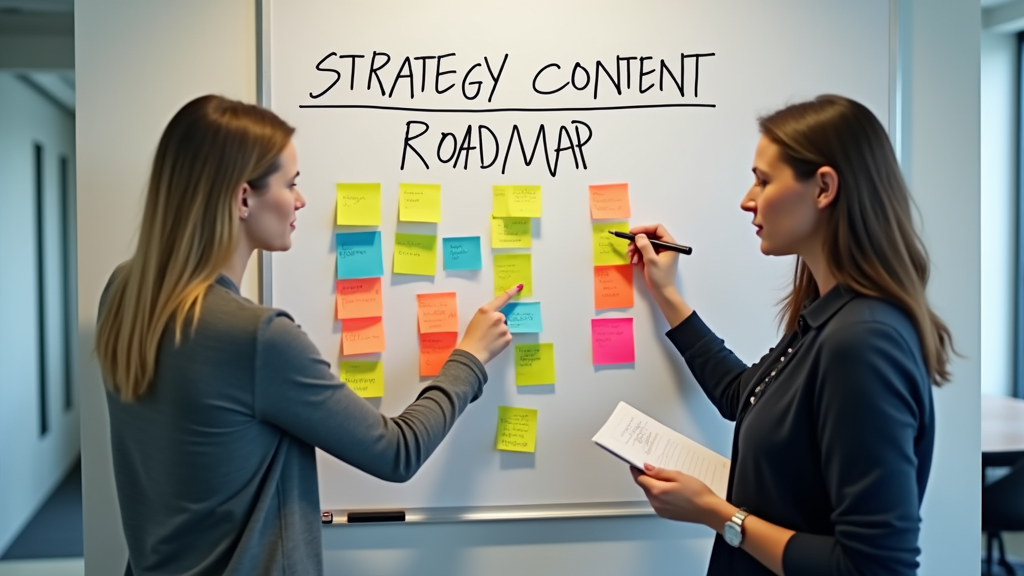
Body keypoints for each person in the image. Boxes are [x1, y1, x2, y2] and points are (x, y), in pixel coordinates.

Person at [94, 94, 521, 576]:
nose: (301, 200)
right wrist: (468, 356)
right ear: (243, 198)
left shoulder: (124, 292)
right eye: (291, 184)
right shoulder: (256, 339)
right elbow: (397, 451)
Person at [626, 95, 953, 576]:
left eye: (763, 179)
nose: (747, 199)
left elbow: (875, 568)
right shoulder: (827, 317)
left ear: (823, 187)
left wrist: (717, 513)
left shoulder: (863, 342)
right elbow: (745, 395)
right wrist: (667, 294)